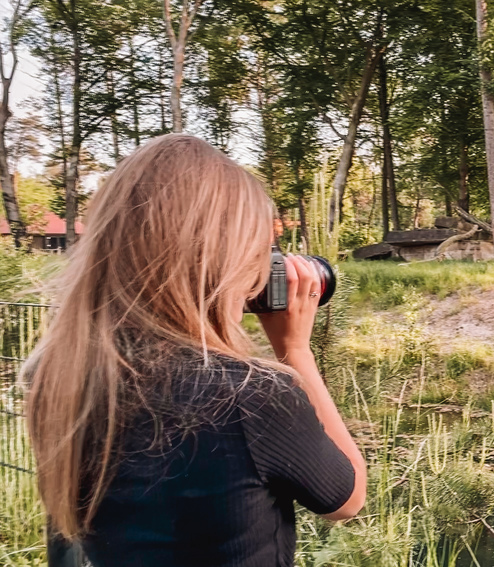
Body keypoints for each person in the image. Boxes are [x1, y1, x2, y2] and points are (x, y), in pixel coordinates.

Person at [23, 134, 366, 567]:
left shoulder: (57, 376)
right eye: (256, 255)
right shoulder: (251, 396)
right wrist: (295, 350)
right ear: (218, 265)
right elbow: (346, 499)